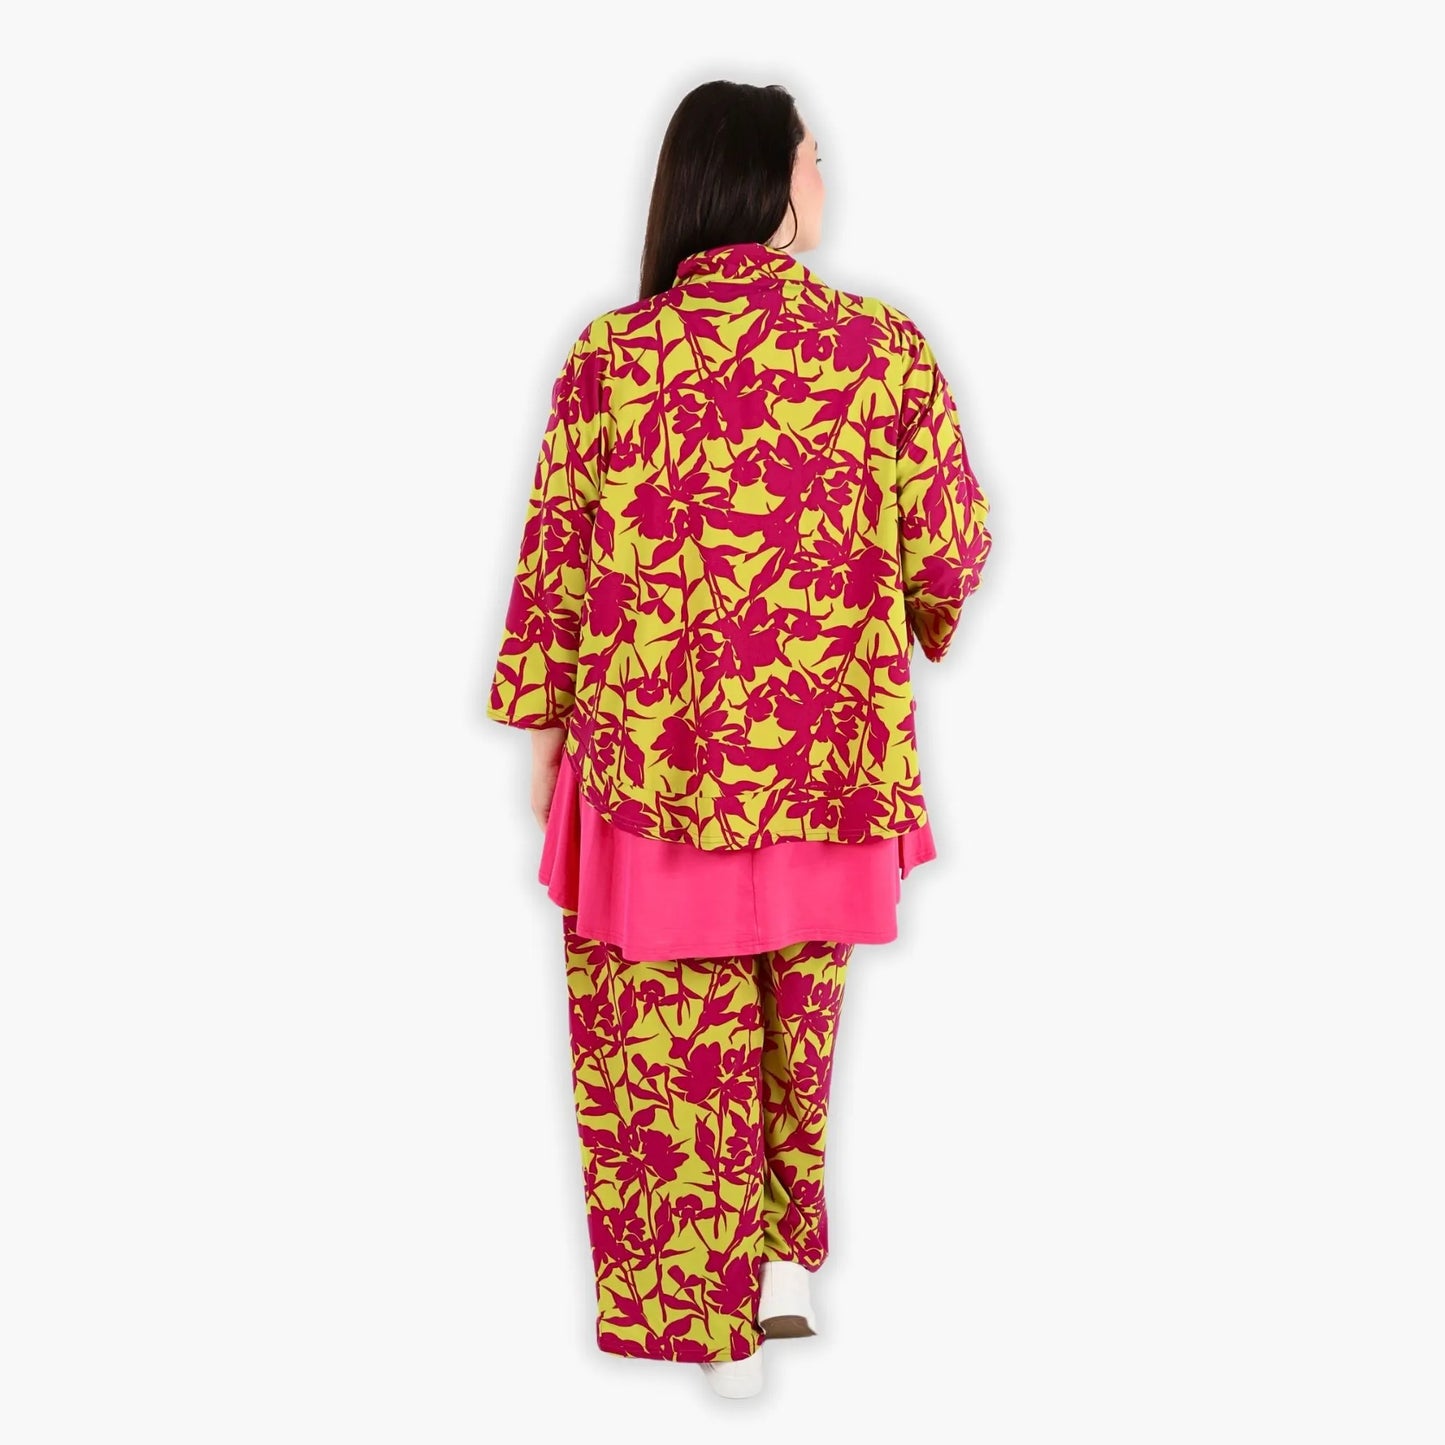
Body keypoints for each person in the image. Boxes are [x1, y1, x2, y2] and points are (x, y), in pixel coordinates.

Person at [485, 79, 992, 1398]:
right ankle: (781, 1262)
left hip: (655, 765)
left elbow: (555, 564)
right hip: (828, 762)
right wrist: (901, 610)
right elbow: (949, 549)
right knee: (795, 1021)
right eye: (813, 158)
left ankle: (698, 1319)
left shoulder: (612, 358)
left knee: (666, 1045)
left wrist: (545, 727)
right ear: (762, 179)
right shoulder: (880, 349)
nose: (827, 179)